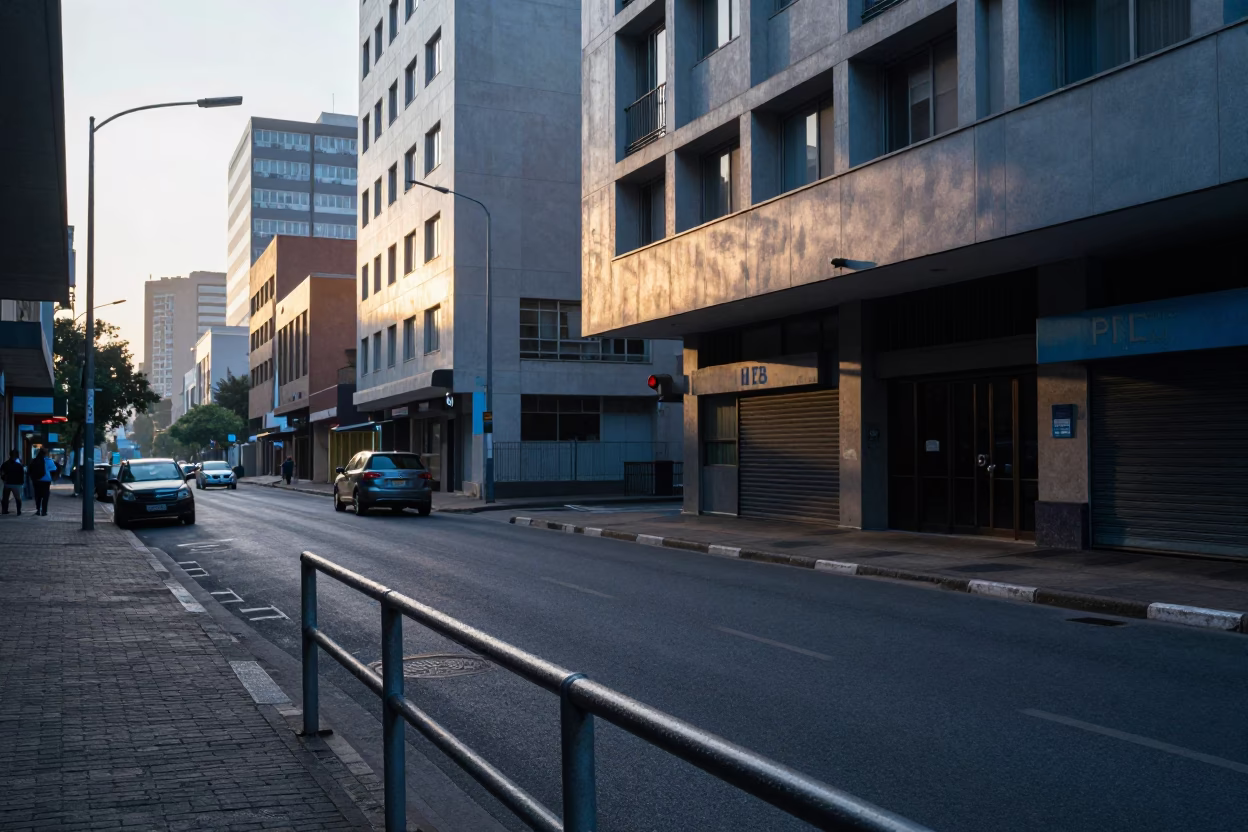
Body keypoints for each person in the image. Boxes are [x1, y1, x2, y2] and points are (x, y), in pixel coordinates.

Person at [29, 449, 57, 516]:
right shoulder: (49, 461)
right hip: (46, 480)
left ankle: (38, 509)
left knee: (37, 495)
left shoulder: (34, 461)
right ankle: (44, 511)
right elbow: (54, 470)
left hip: (36, 481)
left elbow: (30, 470)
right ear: (46, 454)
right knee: (45, 496)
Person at [1, 450, 23, 515]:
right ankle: (18, 511)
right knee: (17, 498)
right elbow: (21, 475)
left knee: (5, 497)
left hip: (7, 483)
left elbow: (2, 473)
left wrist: (4, 479)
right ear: (16, 456)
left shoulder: (5, 464)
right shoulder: (19, 465)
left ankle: (4, 510)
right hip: (16, 483)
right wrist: (21, 482)